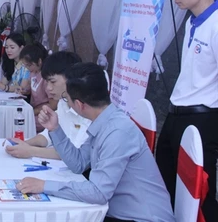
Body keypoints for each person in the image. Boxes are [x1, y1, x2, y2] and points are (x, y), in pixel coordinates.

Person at [17, 63, 175, 222]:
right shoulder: (104, 121)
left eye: (67, 99)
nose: (66, 103)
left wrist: (44, 186)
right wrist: (55, 129)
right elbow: (78, 163)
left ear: (79, 104)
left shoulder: (117, 132)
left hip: (141, 218)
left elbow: (98, 193)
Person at [156, 0, 218, 220]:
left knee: (197, 198)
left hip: (202, 121)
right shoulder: (193, 21)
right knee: (167, 189)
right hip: (176, 116)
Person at [5, 51, 87, 159]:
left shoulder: (87, 110)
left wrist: (30, 151)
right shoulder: (63, 103)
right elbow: (47, 136)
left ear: (71, 78)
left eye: (53, 82)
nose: (48, 88)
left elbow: (74, 153)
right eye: (47, 82)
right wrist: (23, 143)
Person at [19, 43, 57, 131]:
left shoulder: (46, 77)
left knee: (19, 124)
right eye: (26, 66)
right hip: (34, 112)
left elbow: (53, 105)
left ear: (39, 61)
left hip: (44, 116)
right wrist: (25, 91)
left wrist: (32, 112)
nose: (27, 68)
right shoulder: (33, 72)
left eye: (29, 65)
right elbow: (32, 89)